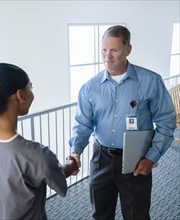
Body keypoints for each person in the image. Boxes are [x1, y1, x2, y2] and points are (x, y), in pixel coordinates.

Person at [69, 25, 176, 220]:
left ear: (128, 50)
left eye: (114, 50)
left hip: (136, 161)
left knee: (137, 216)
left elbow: (167, 122)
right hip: (100, 159)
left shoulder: (151, 81)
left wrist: (151, 157)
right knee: (100, 215)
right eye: (104, 49)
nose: (107, 56)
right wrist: (75, 151)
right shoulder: (90, 87)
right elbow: (83, 124)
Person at [0, 63, 79, 220]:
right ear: (20, 95)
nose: (32, 94)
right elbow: (57, 177)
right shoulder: (36, 154)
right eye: (30, 88)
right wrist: (71, 163)